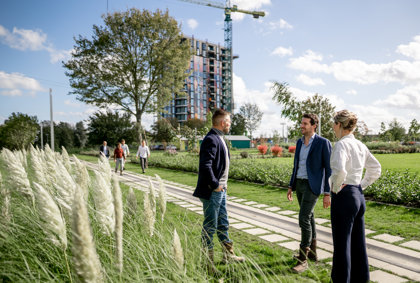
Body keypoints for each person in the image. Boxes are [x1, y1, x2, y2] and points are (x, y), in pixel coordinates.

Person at [330, 110, 381, 283]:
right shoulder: (360, 145)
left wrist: (336, 188)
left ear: (339, 125)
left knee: (342, 244)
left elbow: (339, 170)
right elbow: (376, 168)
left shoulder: (341, 145)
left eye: (333, 124)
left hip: (344, 197)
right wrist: (362, 185)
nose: (332, 128)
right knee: (358, 244)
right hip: (358, 196)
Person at [193, 108, 244, 274]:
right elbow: (205, 166)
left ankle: (228, 255)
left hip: (220, 191)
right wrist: (215, 185)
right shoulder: (211, 139)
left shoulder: (218, 137)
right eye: (228, 121)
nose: (230, 124)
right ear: (223, 123)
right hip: (213, 191)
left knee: (223, 224)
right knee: (210, 227)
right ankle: (207, 263)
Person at [287, 113, 332, 273]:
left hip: (313, 186)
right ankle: (313, 253)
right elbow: (296, 165)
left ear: (314, 125)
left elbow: (329, 168)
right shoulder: (299, 142)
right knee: (310, 216)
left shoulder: (323, 143)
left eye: (305, 123)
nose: (302, 126)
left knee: (303, 218)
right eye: (301, 123)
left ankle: (303, 259)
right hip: (299, 184)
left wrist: (327, 193)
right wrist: (291, 186)